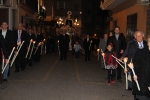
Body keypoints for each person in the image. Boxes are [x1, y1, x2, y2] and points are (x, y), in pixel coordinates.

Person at [130, 35, 150, 100]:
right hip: (142, 82)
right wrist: (134, 75)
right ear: (148, 42)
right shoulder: (141, 52)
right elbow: (136, 65)